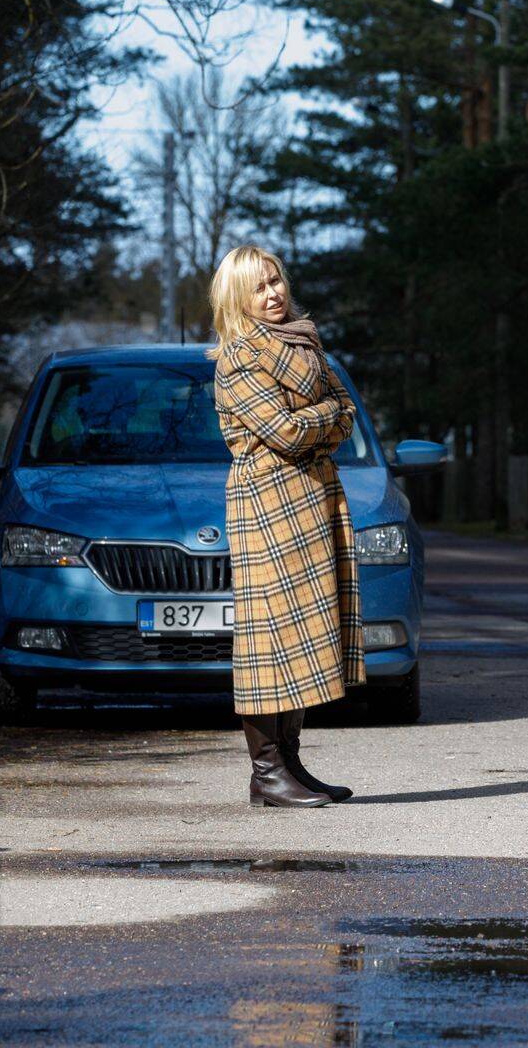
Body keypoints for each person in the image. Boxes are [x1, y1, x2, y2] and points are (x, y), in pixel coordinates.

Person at [208, 245, 362, 807]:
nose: (272, 294)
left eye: (276, 281)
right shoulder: (239, 356)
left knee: (299, 637)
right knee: (267, 639)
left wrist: (322, 417)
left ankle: (290, 762)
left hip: (313, 497)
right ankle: (266, 772)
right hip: (267, 503)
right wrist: (325, 416)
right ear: (237, 299)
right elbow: (290, 433)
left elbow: (348, 414)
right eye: (258, 287)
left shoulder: (305, 342)